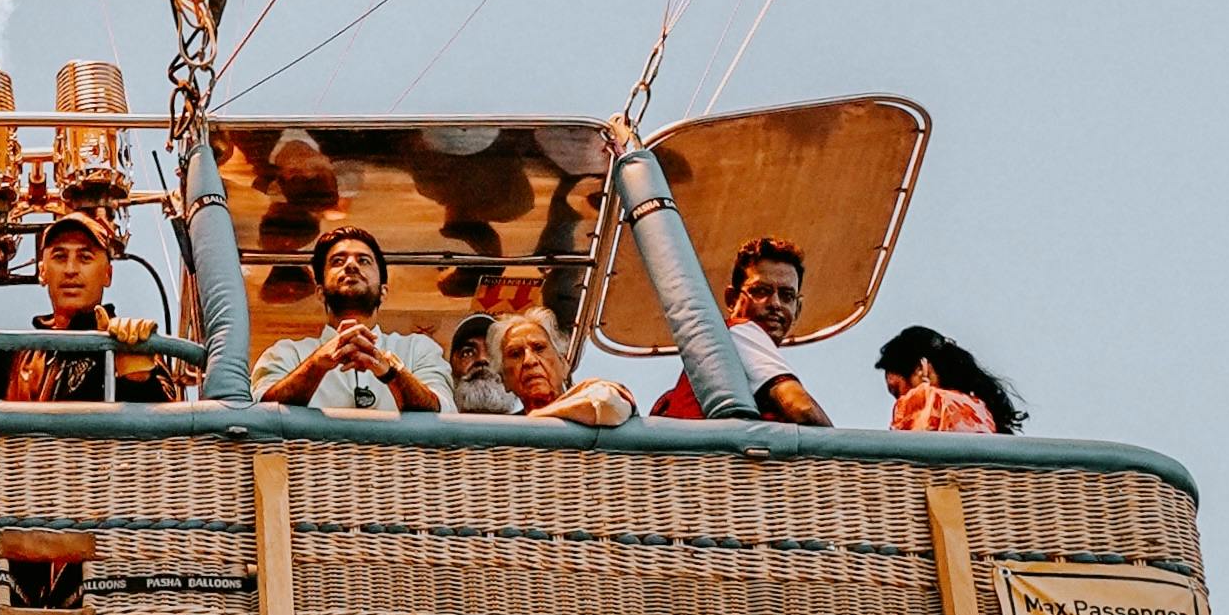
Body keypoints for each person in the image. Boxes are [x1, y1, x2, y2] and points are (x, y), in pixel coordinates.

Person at [0, 193, 176, 402]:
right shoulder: (21, 360)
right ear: (42, 272)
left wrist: (138, 375)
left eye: (85, 257)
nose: (71, 269)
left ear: (107, 274)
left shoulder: (131, 342)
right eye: (59, 257)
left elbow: (167, 425)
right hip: (32, 465)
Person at [251, 217, 454, 416]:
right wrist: (316, 365)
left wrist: (390, 372)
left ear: (383, 291)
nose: (351, 265)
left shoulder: (418, 350)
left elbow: (444, 415)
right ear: (319, 292)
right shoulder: (286, 353)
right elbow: (258, 416)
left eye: (364, 260)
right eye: (337, 261)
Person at [650, 237, 831, 426]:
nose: (775, 304)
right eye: (761, 291)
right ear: (732, 299)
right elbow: (801, 408)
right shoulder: (740, 330)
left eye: (787, 296)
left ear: (797, 309)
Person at [454, 292, 634, 427]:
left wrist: (539, 417)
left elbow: (611, 405)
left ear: (564, 365)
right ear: (505, 381)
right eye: (515, 354)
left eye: (539, 348)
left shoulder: (588, 392)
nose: (529, 361)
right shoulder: (503, 429)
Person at [874, 322, 1023, 434]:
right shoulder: (978, 408)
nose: (899, 402)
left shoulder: (929, 401)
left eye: (898, 391)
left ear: (921, 368)